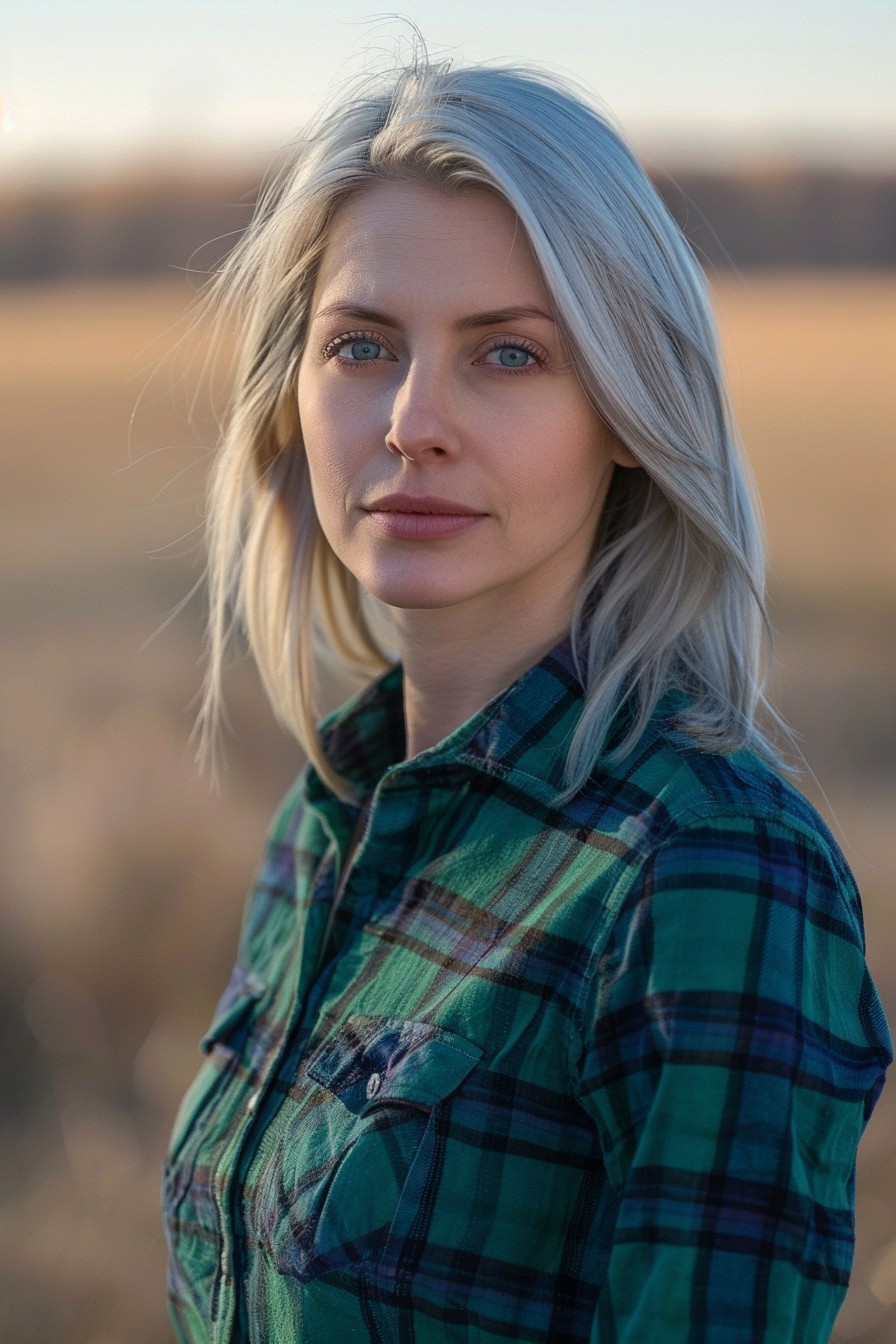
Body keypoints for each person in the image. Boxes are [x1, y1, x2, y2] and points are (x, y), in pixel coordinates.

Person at [161, 46, 892, 1344]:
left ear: (625, 407)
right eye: (363, 345)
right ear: (292, 396)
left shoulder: (709, 875)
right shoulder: (330, 819)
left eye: (506, 356)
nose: (412, 420)